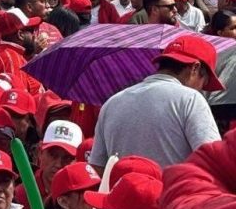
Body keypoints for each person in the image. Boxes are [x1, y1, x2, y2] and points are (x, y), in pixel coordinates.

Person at [90, 34, 222, 168]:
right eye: (204, 82)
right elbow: (214, 162)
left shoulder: (112, 103)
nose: (201, 89)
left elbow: (97, 168)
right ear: (195, 68)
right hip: (173, 188)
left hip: (121, 188)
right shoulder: (191, 99)